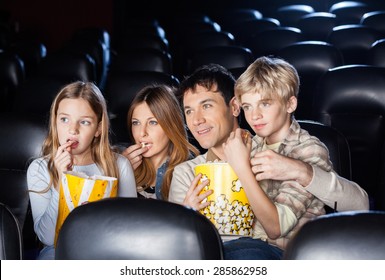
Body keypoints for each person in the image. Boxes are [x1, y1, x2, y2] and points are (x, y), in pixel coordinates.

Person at [168, 62, 369, 259]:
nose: (255, 115)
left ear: (290, 104)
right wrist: (188, 218)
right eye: (248, 106)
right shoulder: (250, 146)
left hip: (287, 254)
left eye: (264, 104)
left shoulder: (306, 149)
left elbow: (276, 228)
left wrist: (299, 170)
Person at [27, 81, 137, 260]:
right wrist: (61, 180)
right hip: (58, 252)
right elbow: (47, 238)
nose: (73, 130)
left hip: (107, 253)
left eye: (84, 122)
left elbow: (130, 230)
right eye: (64, 119)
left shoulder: (120, 166)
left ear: (98, 129)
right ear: (55, 122)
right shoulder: (39, 169)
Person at [121, 84, 199, 200]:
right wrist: (120, 172)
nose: (142, 133)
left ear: (171, 126)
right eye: (136, 123)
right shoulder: (120, 162)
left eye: (152, 122)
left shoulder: (191, 172)